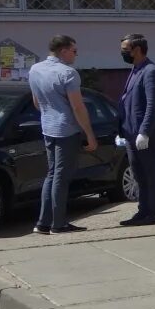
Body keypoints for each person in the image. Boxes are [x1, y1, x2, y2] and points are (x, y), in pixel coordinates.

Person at [28, 34, 98, 234]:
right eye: (74, 51)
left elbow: (36, 101)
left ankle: (43, 222)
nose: (76, 55)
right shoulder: (68, 73)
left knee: (51, 174)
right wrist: (89, 134)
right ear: (64, 50)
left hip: (47, 126)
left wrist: (50, 113)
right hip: (66, 129)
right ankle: (58, 224)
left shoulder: (35, 69)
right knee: (61, 176)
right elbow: (77, 107)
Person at [118, 34, 155, 226]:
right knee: (139, 174)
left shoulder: (150, 71)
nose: (122, 53)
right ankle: (144, 210)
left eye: (125, 49)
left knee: (151, 173)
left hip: (144, 135)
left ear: (137, 50)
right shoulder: (135, 70)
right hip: (130, 134)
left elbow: (153, 105)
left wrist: (145, 131)